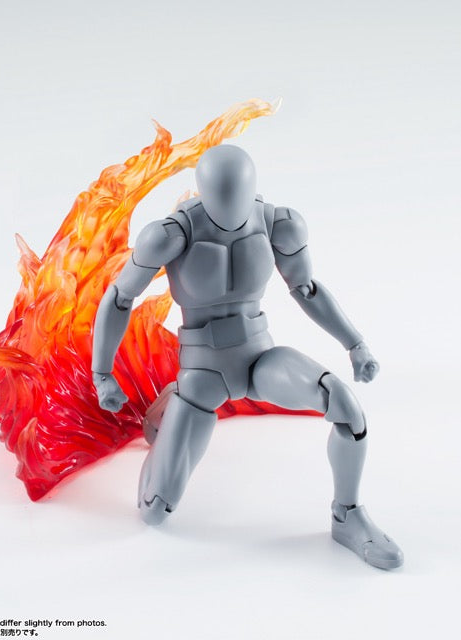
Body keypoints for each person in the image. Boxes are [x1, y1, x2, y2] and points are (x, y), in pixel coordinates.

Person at [92, 144, 403, 569]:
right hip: (202, 372)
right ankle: (172, 405)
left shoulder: (279, 224)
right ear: (203, 191)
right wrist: (102, 374)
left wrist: (355, 344)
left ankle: (347, 515)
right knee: (154, 510)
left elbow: (307, 289)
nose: (230, 207)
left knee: (345, 405)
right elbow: (120, 297)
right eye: (220, 195)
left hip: (260, 360)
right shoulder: (169, 235)